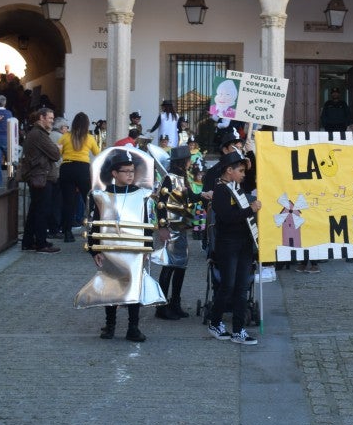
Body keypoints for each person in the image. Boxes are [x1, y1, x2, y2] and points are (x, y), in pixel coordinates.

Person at [205, 150, 262, 345]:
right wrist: (250, 210)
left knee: (242, 287)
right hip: (228, 244)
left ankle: (239, 330)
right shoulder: (221, 190)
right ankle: (215, 322)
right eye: (240, 170)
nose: (243, 174)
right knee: (227, 286)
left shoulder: (237, 187)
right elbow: (227, 218)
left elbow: (253, 181)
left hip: (244, 243)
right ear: (229, 171)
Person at [91, 151, 148, 342]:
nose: (130, 174)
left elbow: (146, 222)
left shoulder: (141, 194)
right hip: (110, 249)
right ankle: (110, 325)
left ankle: (133, 327)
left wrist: (147, 248)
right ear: (115, 173)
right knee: (110, 286)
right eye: (125, 171)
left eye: (132, 171)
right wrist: (95, 249)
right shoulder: (102, 195)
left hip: (134, 249)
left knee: (134, 287)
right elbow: (96, 222)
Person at [154, 147, 201, 320]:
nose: (191, 162)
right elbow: (161, 204)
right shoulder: (169, 178)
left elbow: (189, 198)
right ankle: (161, 306)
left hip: (181, 228)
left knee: (181, 266)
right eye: (189, 159)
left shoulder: (182, 177)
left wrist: (204, 195)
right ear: (184, 161)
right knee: (169, 266)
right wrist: (163, 227)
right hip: (172, 228)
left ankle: (175, 303)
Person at [20, 108, 62, 253]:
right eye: (50, 118)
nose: (52, 120)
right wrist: (57, 148)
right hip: (41, 177)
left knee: (35, 210)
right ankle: (40, 243)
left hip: (39, 176)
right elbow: (56, 154)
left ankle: (29, 241)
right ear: (41, 118)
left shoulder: (36, 133)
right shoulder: (39, 134)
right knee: (41, 211)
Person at [58, 112, 100, 243]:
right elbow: (97, 153)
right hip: (83, 169)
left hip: (67, 168)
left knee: (68, 202)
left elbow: (57, 152)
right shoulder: (89, 138)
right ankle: (93, 231)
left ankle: (67, 233)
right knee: (89, 201)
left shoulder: (64, 137)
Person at [0, 94, 14, 188]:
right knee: (10, 162)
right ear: (5, 103)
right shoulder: (9, 113)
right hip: (7, 140)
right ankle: (11, 182)